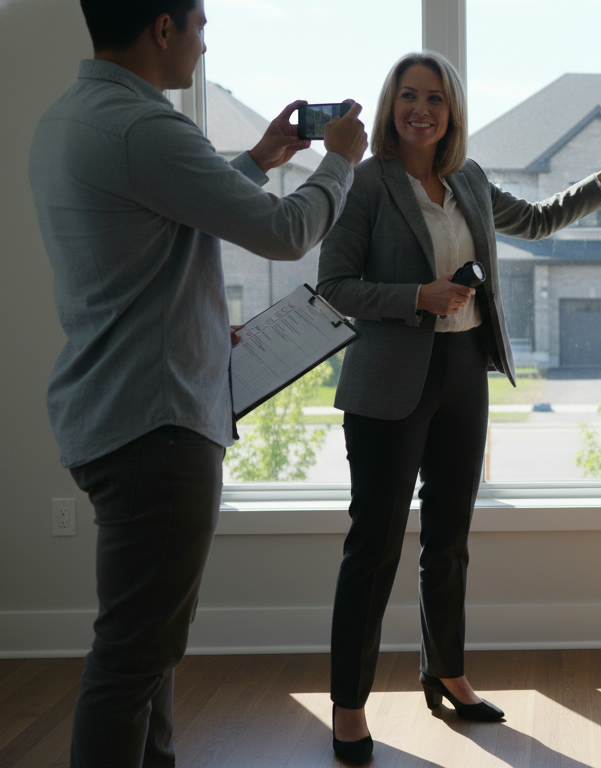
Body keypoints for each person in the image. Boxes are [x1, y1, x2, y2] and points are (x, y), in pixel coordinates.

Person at [27, 1, 368, 765]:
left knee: (146, 650)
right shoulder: (145, 126)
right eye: (201, 25)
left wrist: (256, 161)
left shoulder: (71, 119)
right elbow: (284, 234)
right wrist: (338, 161)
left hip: (112, 410)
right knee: (131, 659)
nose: (204, 42)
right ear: (162, 28)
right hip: (158, 426)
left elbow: (156, 222)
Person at [316, 51, 601, 762]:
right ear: (390, 106)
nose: (422, 110)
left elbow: (534, 221)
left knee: (450, 538)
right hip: (387, 383)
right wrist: (417, 296)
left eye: (435, 98)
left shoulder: (466, 178)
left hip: (464, 369)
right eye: (409, 96)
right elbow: (337, 285)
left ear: (452, 110)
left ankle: (447, 674)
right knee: (373, 549)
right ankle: (348, 706)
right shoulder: (367, 183)